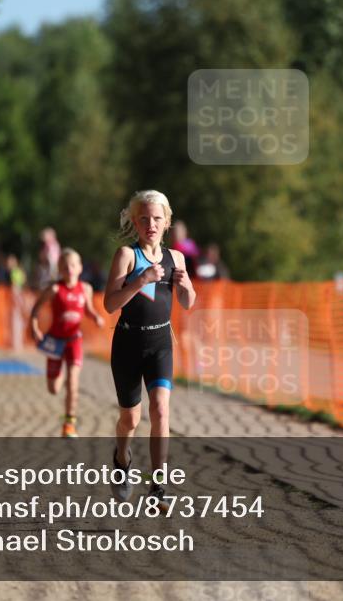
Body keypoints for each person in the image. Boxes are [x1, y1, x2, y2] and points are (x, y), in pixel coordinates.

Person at [104, 190, 196, 509]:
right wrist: (141, 279)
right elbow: (109, 304)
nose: (151, 224)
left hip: (160, 344)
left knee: (160, 410)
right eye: (144, 219)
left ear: (166, 221)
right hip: (128, 344)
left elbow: (187, 303)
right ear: (134, 222)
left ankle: (158, 485)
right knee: (130, 419)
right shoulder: (126, 256)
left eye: (157, 218)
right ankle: (121, 459)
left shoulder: (177, 259)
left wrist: (186, 288)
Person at [30, 248, 105, 438]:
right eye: (64, 266)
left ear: (79, 268)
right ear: (59, 270)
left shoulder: (85, 288)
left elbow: (87, 309)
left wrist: (96, 317)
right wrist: (34, 327)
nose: (69, 269)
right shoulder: (55, 289)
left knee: (73, 384)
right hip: (55, 343)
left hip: (74, 341)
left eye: (72, 265)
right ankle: (60, 373)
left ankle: (69, 424)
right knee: (54, 389)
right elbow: (36, 309)